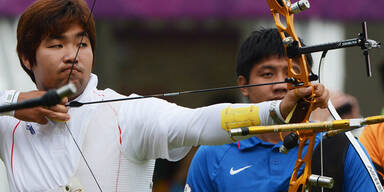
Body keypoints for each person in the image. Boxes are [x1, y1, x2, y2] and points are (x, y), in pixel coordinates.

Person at [0, 1, 330, 191]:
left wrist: (275, 109)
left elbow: (198, 123)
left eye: (82, 44)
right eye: (57, 45)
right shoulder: (9, 124)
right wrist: (16, 102)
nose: (72, 55)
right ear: (28, 59)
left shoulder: (127, 114)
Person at [185, 28, 381, 192]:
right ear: (243, 85)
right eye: (267, 74)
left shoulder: (342, 147)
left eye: (292, 74)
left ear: (308, 81)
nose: (281, 85)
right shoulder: (213, 153)